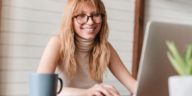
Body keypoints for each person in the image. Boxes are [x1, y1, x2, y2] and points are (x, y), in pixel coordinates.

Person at [37, 0, 137, 96]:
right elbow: (41, 89)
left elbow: (134, 86)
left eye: (96, 15)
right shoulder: (57, 42)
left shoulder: (105, 47)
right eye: (81, 15)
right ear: (70, 19)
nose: (90, 22)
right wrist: (87, 92)